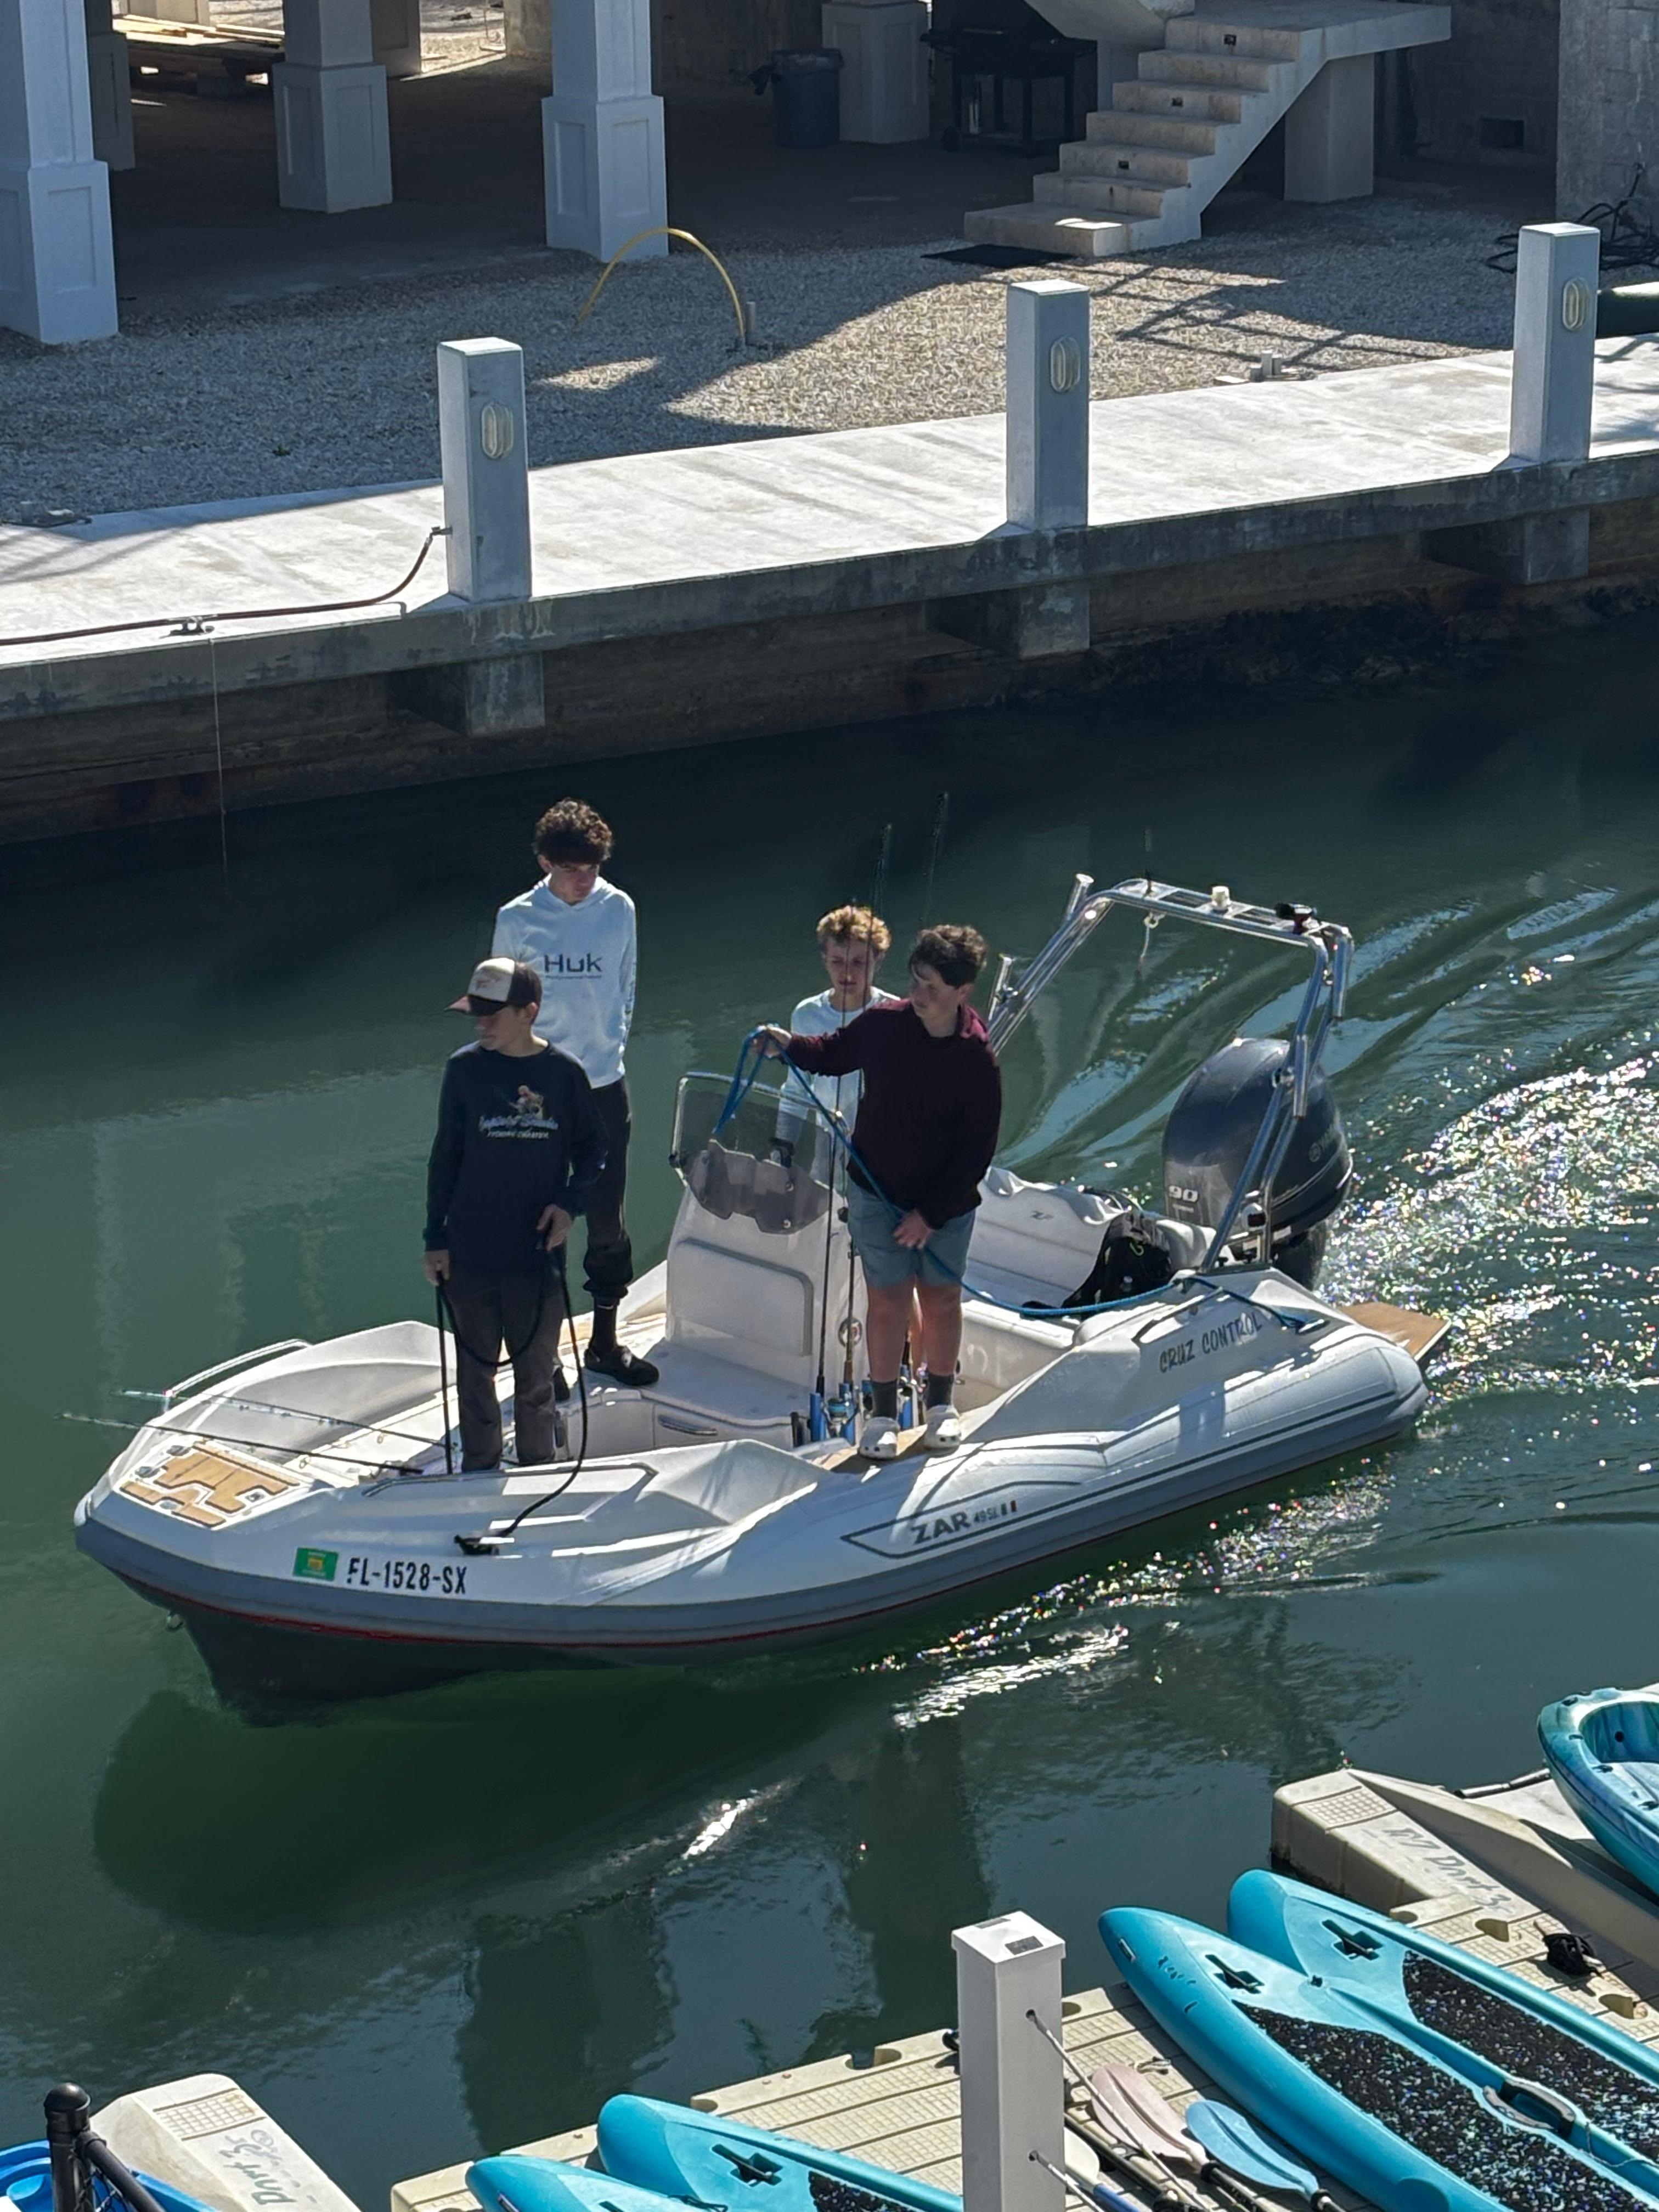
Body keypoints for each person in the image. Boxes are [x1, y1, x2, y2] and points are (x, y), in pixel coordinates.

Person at [759, 924, 1001, 1459]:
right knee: (888, 1302)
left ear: (962, 993)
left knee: (941, 1299)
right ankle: (884, 1413)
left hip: (944, 1205)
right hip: (876, 1190)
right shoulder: (885, 1024)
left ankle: (940, 1404)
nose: (918, 996)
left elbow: (976, 1152)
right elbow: (831, 1052)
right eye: (915, 981)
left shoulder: (976, 1058)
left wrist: (929, 1216)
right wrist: (786, 1043)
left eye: (933, 988)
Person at [492, 797, 659, 1389]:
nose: (585, 879)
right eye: (572, 869)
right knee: (540, 1223)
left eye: (592, 867)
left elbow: (627, 984)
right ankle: (542, 1356)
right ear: (545, 863)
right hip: (538, 1089)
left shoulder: (620, 909)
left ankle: (606, 1343)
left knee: (608, 1220)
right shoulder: (515, 917)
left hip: (604, 1085)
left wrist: (610, 1047)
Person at [424, 957, 608, 1473]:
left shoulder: (564, 1074)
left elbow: (595, 1148)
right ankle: (479, 1470)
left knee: (535, 1377)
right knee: (475, 1374)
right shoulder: (463, 1071)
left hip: (537, 1252)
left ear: (528, 1013)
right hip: (469, 1250)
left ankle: (536, 1467)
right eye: (475, 1013)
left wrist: (570, 1206)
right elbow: (445, 1159)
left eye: (491, 1014)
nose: (480, 1023)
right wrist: (434, 1239)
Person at [774, 904, 900, 1173]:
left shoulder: (897, 1014)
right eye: (838, 962)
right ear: (824, 959)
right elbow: (796, 1090)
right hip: (828, 1151)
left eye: (859, 962)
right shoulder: (806, 1015)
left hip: (883, 1154)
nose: (847, 974)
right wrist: (782, 1149)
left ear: (878, 959)